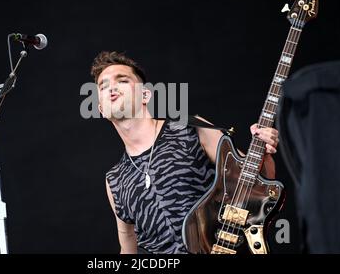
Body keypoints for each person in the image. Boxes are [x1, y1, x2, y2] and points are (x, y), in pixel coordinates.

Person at [91, 51, 279, 254]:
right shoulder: (115, 180)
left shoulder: (191, 129)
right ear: (101, 108)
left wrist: (263, 151)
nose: (112, 87)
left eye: (123, 80)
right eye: (103, 86)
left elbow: (257, 183)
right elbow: (127, 248)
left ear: (145, 95)